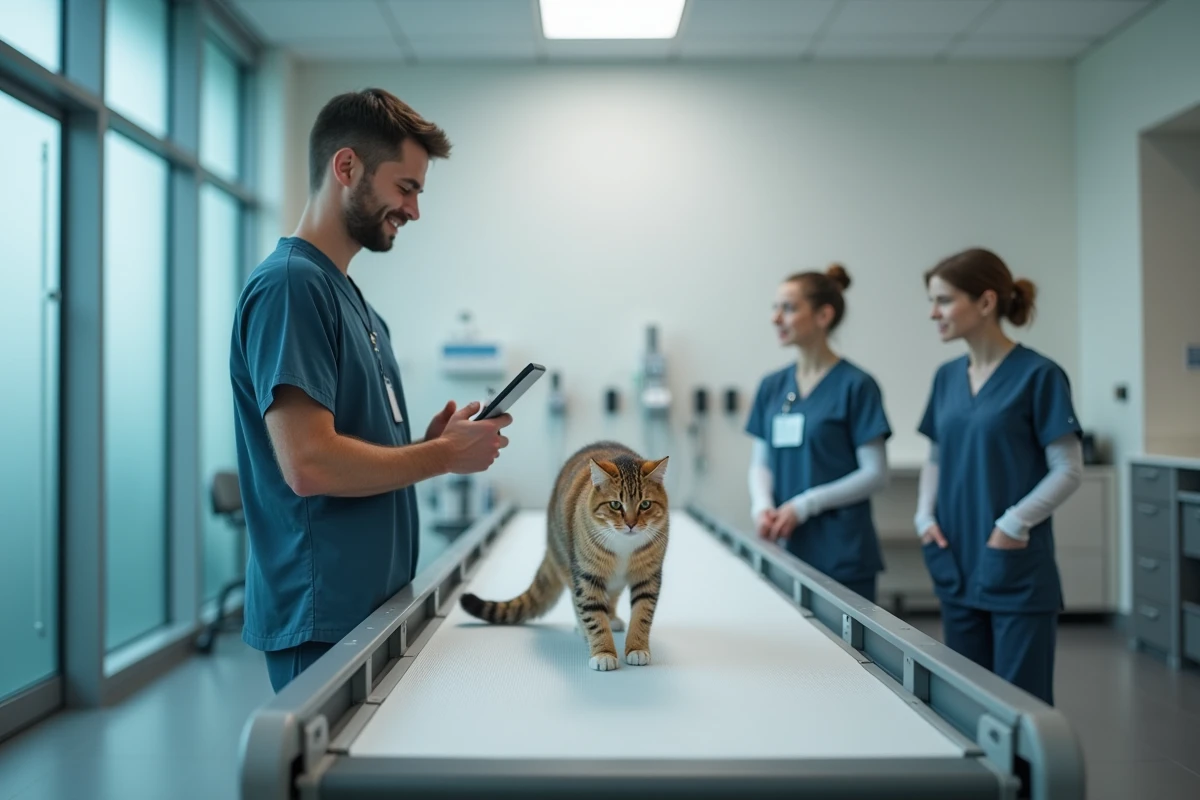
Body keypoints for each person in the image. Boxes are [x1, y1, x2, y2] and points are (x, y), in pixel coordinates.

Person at [229, 88, 512, 693]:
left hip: (372, 607)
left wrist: (431, 446)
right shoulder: (290, 288)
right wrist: (441, 457)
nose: (413, 211)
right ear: (347, 167)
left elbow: (349, 446)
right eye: (405, 188)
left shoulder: (356, 305)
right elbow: (308, 463)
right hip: (322, 617)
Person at [915, 247, 1083, 706]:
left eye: (944, 301)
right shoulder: (946, 378)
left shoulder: (1039, 375)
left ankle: (1027, 783)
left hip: (1013, 562)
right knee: (963, 699)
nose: (934, 313)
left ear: (986, 302)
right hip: (956, 555)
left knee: (1019, 705)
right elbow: (936, 456)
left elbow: (1068, 469)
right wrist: (923, 514)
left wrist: (1013, 524)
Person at [746, 264, 892, 602]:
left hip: (841, 553)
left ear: (824, 315)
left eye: (788, 308)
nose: (776, 318)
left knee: (849, 654)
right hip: (784, 546)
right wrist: (762, 505)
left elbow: (875, 474)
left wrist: (805, 505)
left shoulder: (856, 386)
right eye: (775, 308)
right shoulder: (772, 386)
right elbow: (760, 463)